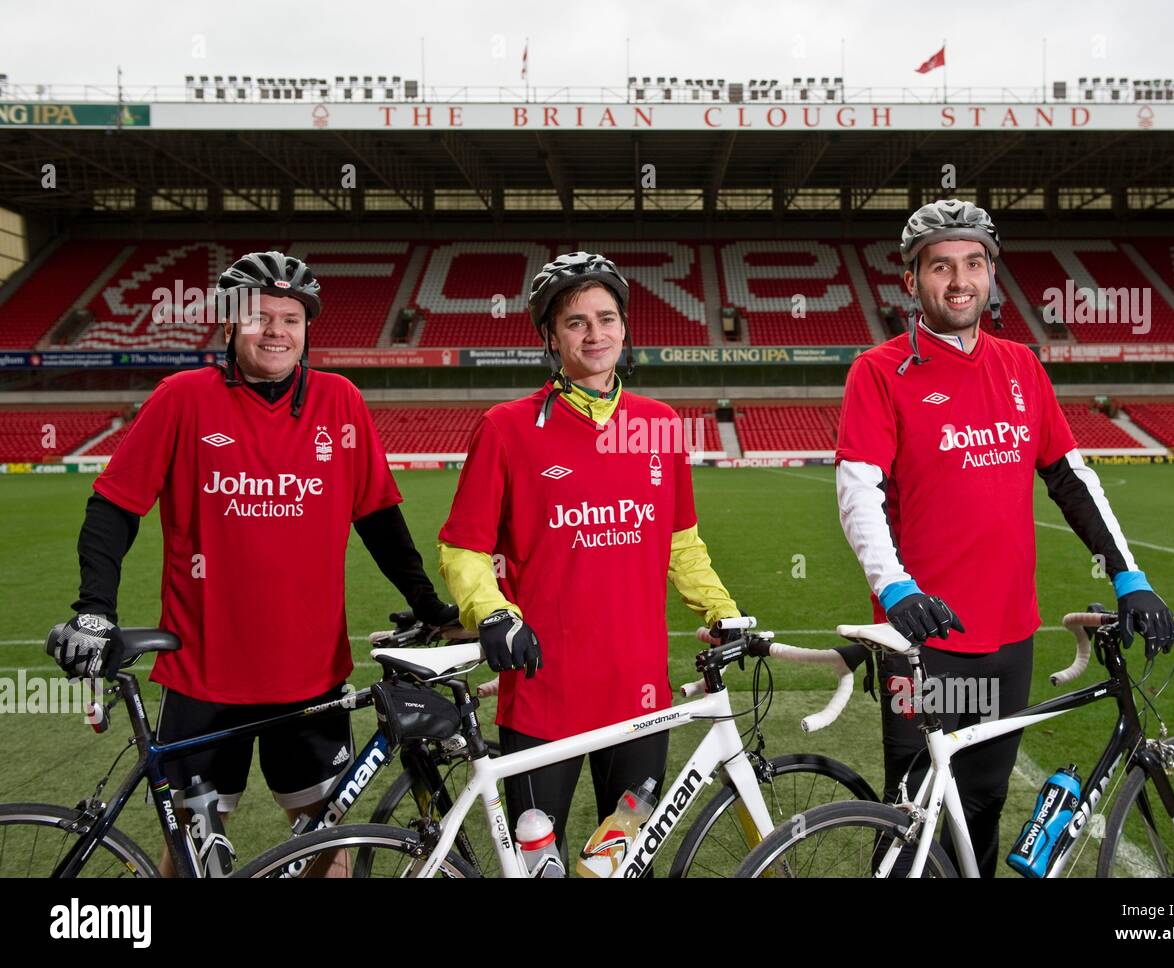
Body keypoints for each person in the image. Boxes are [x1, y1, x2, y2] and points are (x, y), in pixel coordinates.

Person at [48, 250, 457, 875]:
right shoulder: (181, 398)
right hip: (203, 675)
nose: (275, 330)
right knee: (190, 847)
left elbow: (378, 519)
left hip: (311, 676)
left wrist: (429, 606)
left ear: (306, 329)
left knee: (326, 845)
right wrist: (94, 609)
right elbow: (114, 507)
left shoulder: (341, 401)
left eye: (290, 318)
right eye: (259, 317)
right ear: (229, 325)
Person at [835, 199, 1174, 877]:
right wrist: (894, 586)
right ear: (912, 280)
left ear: (990, 272)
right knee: (915, 820)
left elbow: (1071, 480)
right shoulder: (878, 371)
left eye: (974, 263)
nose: (959, 280)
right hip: (924, 640)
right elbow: (858, 492)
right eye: (941, 267)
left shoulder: (1021, 365)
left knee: (984, 805)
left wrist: (1127, 576)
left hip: (1009, 638)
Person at [438, 251, 744, 868]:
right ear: (551, 336)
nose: (595, 333)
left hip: (639, 693)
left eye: (606, 317)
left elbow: (680, 540)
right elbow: (463, 545)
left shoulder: (658, 425)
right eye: (576, 321)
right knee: (538, 863)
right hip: (542, 691)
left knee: (625, 859)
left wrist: (722, 610)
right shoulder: (507, 427)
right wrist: (492, 612)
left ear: (625, 328)